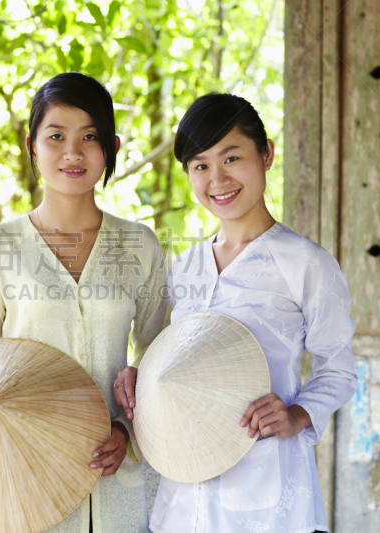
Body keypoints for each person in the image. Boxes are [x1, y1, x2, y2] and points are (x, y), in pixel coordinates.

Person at [114, 93, 357, 533]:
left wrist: (298, 413)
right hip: (181, 500)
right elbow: (179, 363)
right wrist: (141, 375)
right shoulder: (185, 266)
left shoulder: (306, 264)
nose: (217, 179)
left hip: (267, 497)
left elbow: (339, 370)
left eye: (231, 158)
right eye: (200, 165)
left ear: (266, 154)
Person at [0, 72, 169, 533]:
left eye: (90, 136)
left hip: (119, 484)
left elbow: (161, 358)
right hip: (25, 478)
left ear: (111, 146)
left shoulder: (139, 245)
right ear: (32, 146)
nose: (73, 152)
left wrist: (126, 432)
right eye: (56, 136)